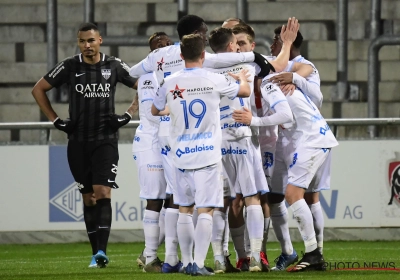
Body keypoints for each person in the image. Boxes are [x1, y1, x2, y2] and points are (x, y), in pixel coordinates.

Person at [31, 23, 138, 268]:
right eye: (82, 41)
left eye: (91, 40)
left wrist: (128, 114)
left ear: (100, 40)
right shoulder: (70, 66)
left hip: (105, 140)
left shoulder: (114, 65)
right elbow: (38, 89)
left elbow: (144, 85)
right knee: (88, 197)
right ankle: (95, 254)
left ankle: (102, 251)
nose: (87, 46)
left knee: (103, 191)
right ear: (79, 43)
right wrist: (55, 120)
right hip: (78, 142)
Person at [151, 34, 252, 276]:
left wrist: (172, 108)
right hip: (207, 155)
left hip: (180, 154)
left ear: (182, 55)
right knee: (206, 209)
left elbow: (155, 109)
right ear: (204, 55)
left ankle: (186, 263)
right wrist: (239, 78)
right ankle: (197, 263)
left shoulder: (169, 81)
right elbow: (245, 92)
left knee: (185, 208)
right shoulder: (214, 79)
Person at [207, 26, 268, 273]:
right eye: (236, 43)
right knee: (252, 197)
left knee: (220, 202)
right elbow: (263, 64)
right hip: (241, 136)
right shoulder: (247, 67)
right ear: (232, 45)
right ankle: (254, 256)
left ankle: (220, 259)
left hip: (216, 141)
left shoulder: (205, 67)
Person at [267, 27, 325, 271]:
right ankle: (290, 251)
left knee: (307, 195)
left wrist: (294, 78)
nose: (270, 44)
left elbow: (318, 98)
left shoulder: (305, 65)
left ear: (285, 42)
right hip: (287, 138)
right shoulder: (281, 67)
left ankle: (315, 251)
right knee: (276, 195)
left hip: (308, 136)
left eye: (274, 40)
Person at [129, 14, 301, 83]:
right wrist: (254, 56)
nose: (207, 37)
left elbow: (129, 73)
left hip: (169, 131)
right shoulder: (205, 61)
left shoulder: (157, 55)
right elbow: (276, 67)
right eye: (204, 33)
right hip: (213, 136)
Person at [132, 32, 173, 272]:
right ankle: (150, 258)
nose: (164, 49)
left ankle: (152, 254)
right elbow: (150, 114)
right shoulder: (148, 78)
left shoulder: (175, 76)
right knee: (156, 200)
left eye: (168, 44)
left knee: (174, 201)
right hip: (151, 144)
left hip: (170, 142)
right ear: (151, 54)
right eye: (158, 46)